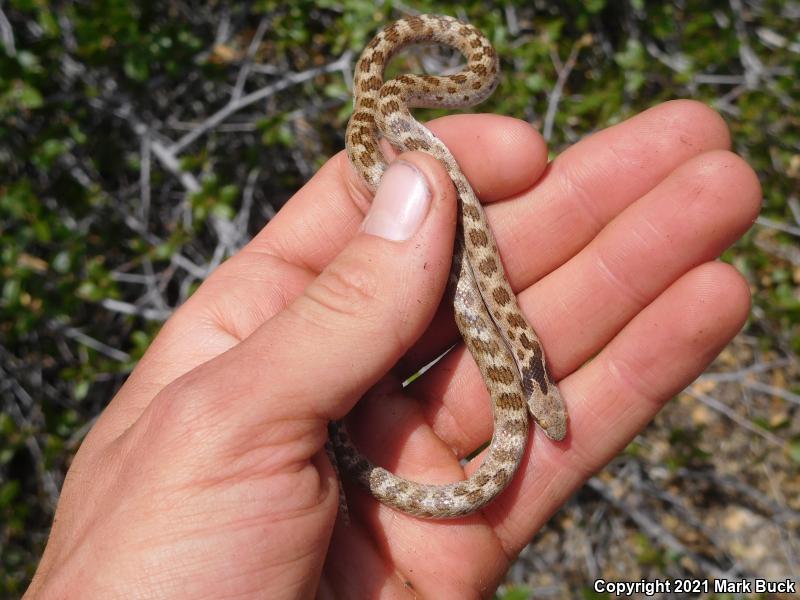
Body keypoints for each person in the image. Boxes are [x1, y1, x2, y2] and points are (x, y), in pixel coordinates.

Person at [25, 101, 758, 598]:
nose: (544, 421)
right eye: (543, 409)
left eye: (542, 408)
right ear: (541, 392)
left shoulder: (524, 375)